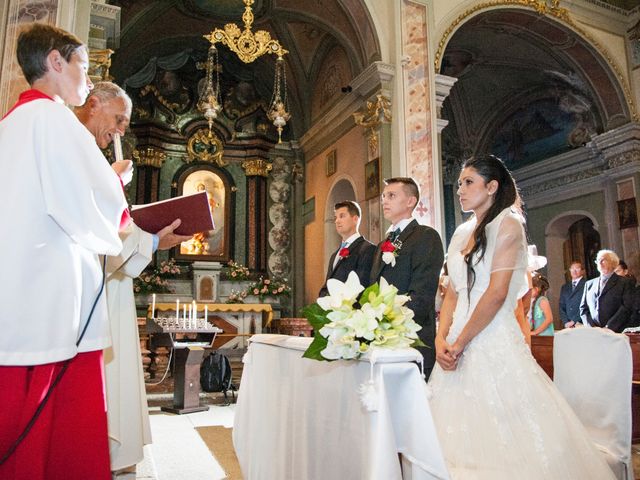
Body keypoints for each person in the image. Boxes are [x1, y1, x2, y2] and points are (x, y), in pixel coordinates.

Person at [428, 154, 614, 479]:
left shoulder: (507, 224)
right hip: (455, 339)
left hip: (488, 336)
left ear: (492, 186)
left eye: (468, 182)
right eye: (459, 184)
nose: (460, 190)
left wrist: (460, 342)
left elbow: (497, 293)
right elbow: (453, 291)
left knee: (507, 430)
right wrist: (441, 337)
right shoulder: (460, 234)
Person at [0, 24, 127, 480]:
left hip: (15, 297)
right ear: (56, 62)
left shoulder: (9, 123)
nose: (89, 82)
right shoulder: (55, 119)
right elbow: (96, 206)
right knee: (55, 426)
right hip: (50, 302)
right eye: (84, 68)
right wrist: (116, 181)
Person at [74, 81, 192, 478]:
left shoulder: (88, 151)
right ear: (94, 104)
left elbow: (114, 231)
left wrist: (153, 238)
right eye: (119, 119)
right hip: (92, 289)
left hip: (109, 284)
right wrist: (153, 237)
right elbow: (97, 227)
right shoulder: (78, 149)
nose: (122, 131)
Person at [369, 177, 444, 379]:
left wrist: (389, 324)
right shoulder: (381, 245)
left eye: (392, 196)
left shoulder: (426, 237)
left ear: (411, 201)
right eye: (384, 196)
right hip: (382, 342)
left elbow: (422, 294)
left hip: (412, 341)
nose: (384, 200)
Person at [318, 201, 376, 297]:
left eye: (342, 216)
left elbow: (362, 286)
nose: (337, 221)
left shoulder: (367, 249)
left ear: (355, 219)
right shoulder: (334, 255)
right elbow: (327, 285)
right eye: (335, 218)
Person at [580, 249, 635, 332]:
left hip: (615, 331)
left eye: (602, 260)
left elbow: (626, 307)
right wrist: (592, 328)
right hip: (594, 333)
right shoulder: (589, 284)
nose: (599, 262)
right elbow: (583, 309)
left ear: (613, 262)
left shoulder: (624, 282)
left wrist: (609, 327)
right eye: (597, 260)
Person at [558, 261, 586, 328]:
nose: (574, 271)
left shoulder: (587, 284)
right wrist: (565, 322)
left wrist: (574, 321)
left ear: (583, 271)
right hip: (567, 325)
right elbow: (561, 306)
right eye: (572, 269)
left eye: (577, 268)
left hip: (581, 322)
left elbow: (587, 305)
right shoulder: (565, 287)